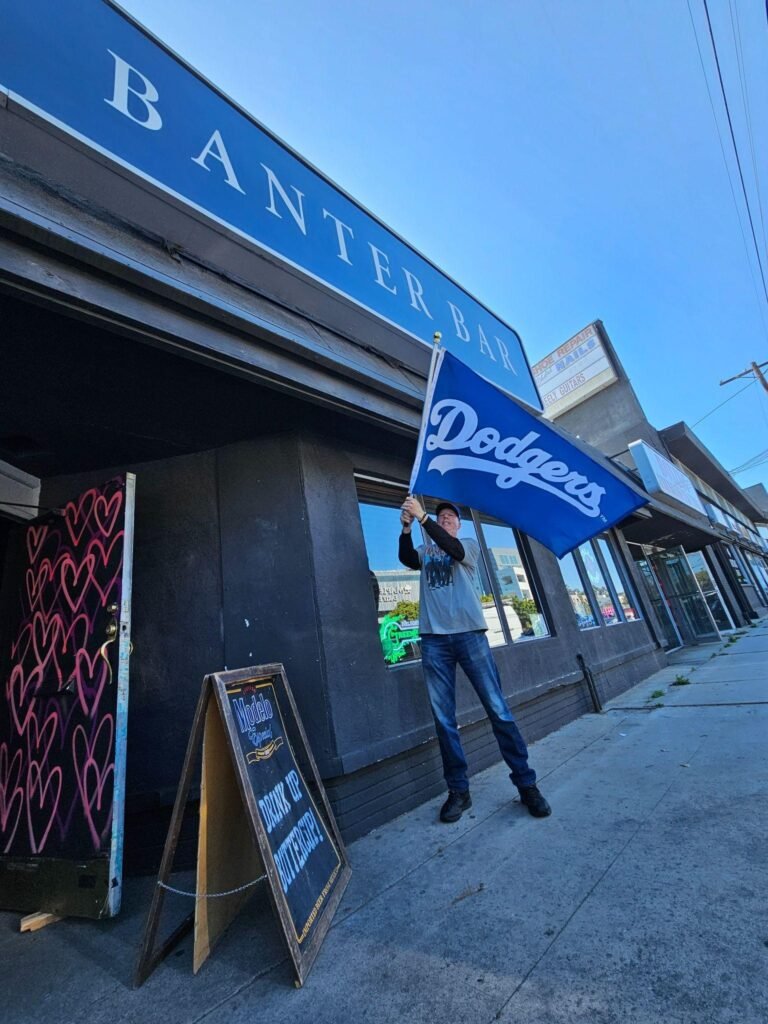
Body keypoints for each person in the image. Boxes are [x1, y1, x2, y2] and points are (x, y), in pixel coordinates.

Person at [398, 495, 551, 823]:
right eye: (442, 518)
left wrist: (423, 518)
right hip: (434, 641)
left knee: (498, 709)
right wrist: (407, 529)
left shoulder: (467, 545)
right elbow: (407, 558)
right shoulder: (427, 551)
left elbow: (451, 549)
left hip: (470, 636)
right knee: (444, 720)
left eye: (450, 517)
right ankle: (458, 791)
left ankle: (527, 784)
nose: (445, 520)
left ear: (459, 524)